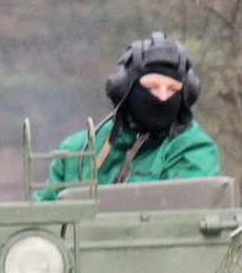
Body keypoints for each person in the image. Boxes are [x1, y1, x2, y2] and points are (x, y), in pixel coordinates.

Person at [37, 32, 220, 199]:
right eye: (152, 87)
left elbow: (179, 217)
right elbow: (39, 222)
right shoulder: (78, 151)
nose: (164, 98)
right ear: (125, 89)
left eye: (173, 89)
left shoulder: (194, 148)